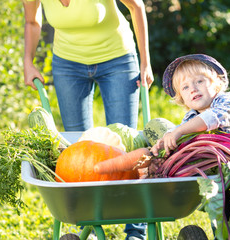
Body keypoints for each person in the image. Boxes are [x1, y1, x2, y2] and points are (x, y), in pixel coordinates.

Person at [22, 0, 153, 239]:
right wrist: (27, 62)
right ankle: (88, 227)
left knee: (127, 149)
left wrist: (145, 62)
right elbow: (32, 21)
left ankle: (136, 230)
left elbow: (137, 6)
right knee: (76, 153)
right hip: (67, 64)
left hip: (118, 59)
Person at [151, 54, 230, 157]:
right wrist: (167, 138)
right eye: (185, 87)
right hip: (220, 163)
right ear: (181, 97)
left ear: (215, 84)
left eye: (199, 81)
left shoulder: (227, 102)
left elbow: (210, 119)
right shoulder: (191, 117)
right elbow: (183, 131)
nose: (193, 89)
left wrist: (178, 131)